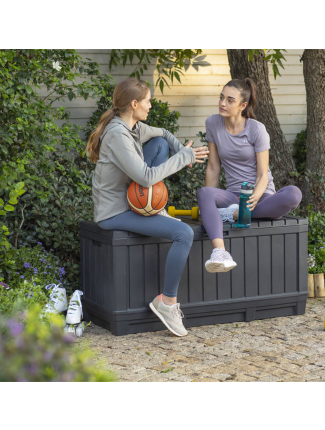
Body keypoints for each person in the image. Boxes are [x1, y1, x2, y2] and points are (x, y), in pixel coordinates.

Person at [86, 77, 208, 337]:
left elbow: (163, 134)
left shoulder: (133, 127)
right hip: (114, 212)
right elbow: (146, 178)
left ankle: (152, 208)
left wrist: (181, 151)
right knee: (184, 233)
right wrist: (182, 157)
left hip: (132, 204)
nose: (150, 106)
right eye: (148, 101)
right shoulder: (118, 134)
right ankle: (167, 303)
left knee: (160, 143)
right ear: (134, 104)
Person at [197, 78, 302, 273]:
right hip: (233, 196)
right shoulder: (212, 123)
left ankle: (235, 215)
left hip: (261, 197)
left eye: (230, 100)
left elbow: (263, 175)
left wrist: (252, 200)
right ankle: (220, 252)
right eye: (221, 97)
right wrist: (210, 203)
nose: (222, 103)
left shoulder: (256, 129)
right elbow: (213, 167)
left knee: (293, 194)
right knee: (204, 193)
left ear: (242, 106)